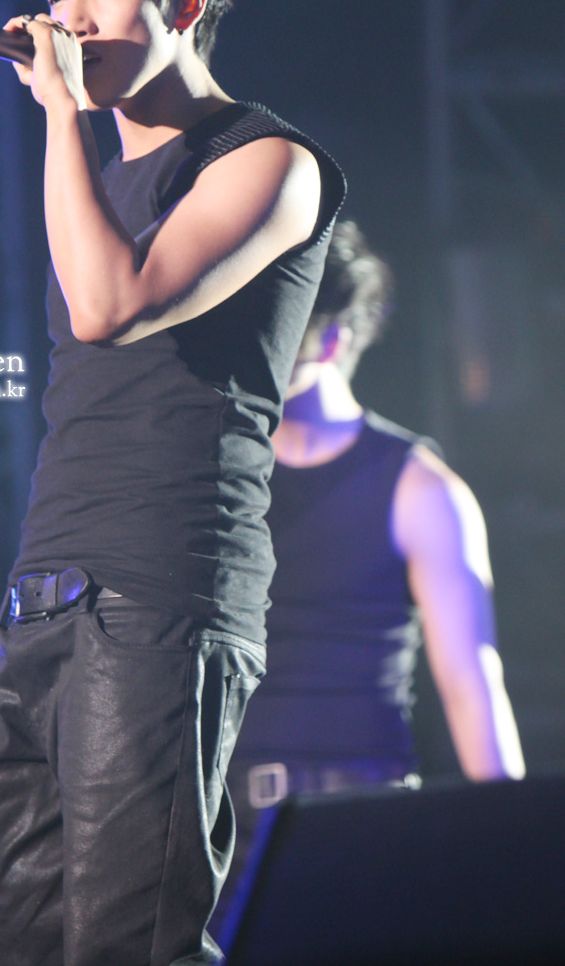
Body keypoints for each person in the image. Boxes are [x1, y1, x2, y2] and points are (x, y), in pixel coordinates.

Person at [0, 0, 346, 966]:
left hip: (160, 593)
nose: (69, 18)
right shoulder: (95, 185)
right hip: (45, 589)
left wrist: (59, 115)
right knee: (31, 946)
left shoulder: (269, 163)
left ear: (185, 3)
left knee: (128, 947)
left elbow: (110, 307)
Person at [225, 219, 525, 842]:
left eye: (279, 323)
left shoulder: (422, 488)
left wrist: (519, 843)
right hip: (221, 823)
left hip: (362, 819)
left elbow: (472, 683)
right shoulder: (218, 469)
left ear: (332, 338)